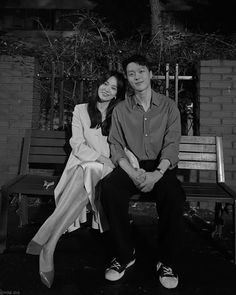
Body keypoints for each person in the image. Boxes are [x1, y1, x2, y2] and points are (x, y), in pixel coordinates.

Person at [26, 71, 126, 288]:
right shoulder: (81, 110)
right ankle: (48, 243)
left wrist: (113, 162)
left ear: (118, 94)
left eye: (113, 87)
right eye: (105, 83)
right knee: (87, 169)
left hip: (108, 168)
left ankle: (48, 242)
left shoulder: (119, 113)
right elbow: (77, 144)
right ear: (98, 84)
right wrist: (99, 158)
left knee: (89, 170)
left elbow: (122, 144)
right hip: (83, 163)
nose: (107, 89)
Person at [100, 54, 186, 289]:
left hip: (160, 166)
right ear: (127, 79)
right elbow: (115, 145)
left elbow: (172, 144)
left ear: (149, 74)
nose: (136, 76)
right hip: (133, 166)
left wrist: (157, 174)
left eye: (140, 71)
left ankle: (167, 261)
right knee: (109, 188)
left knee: (174, 195)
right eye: (131, 73)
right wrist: (132, 172)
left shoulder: (169, 106)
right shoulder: (120, 109)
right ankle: (125, 255)